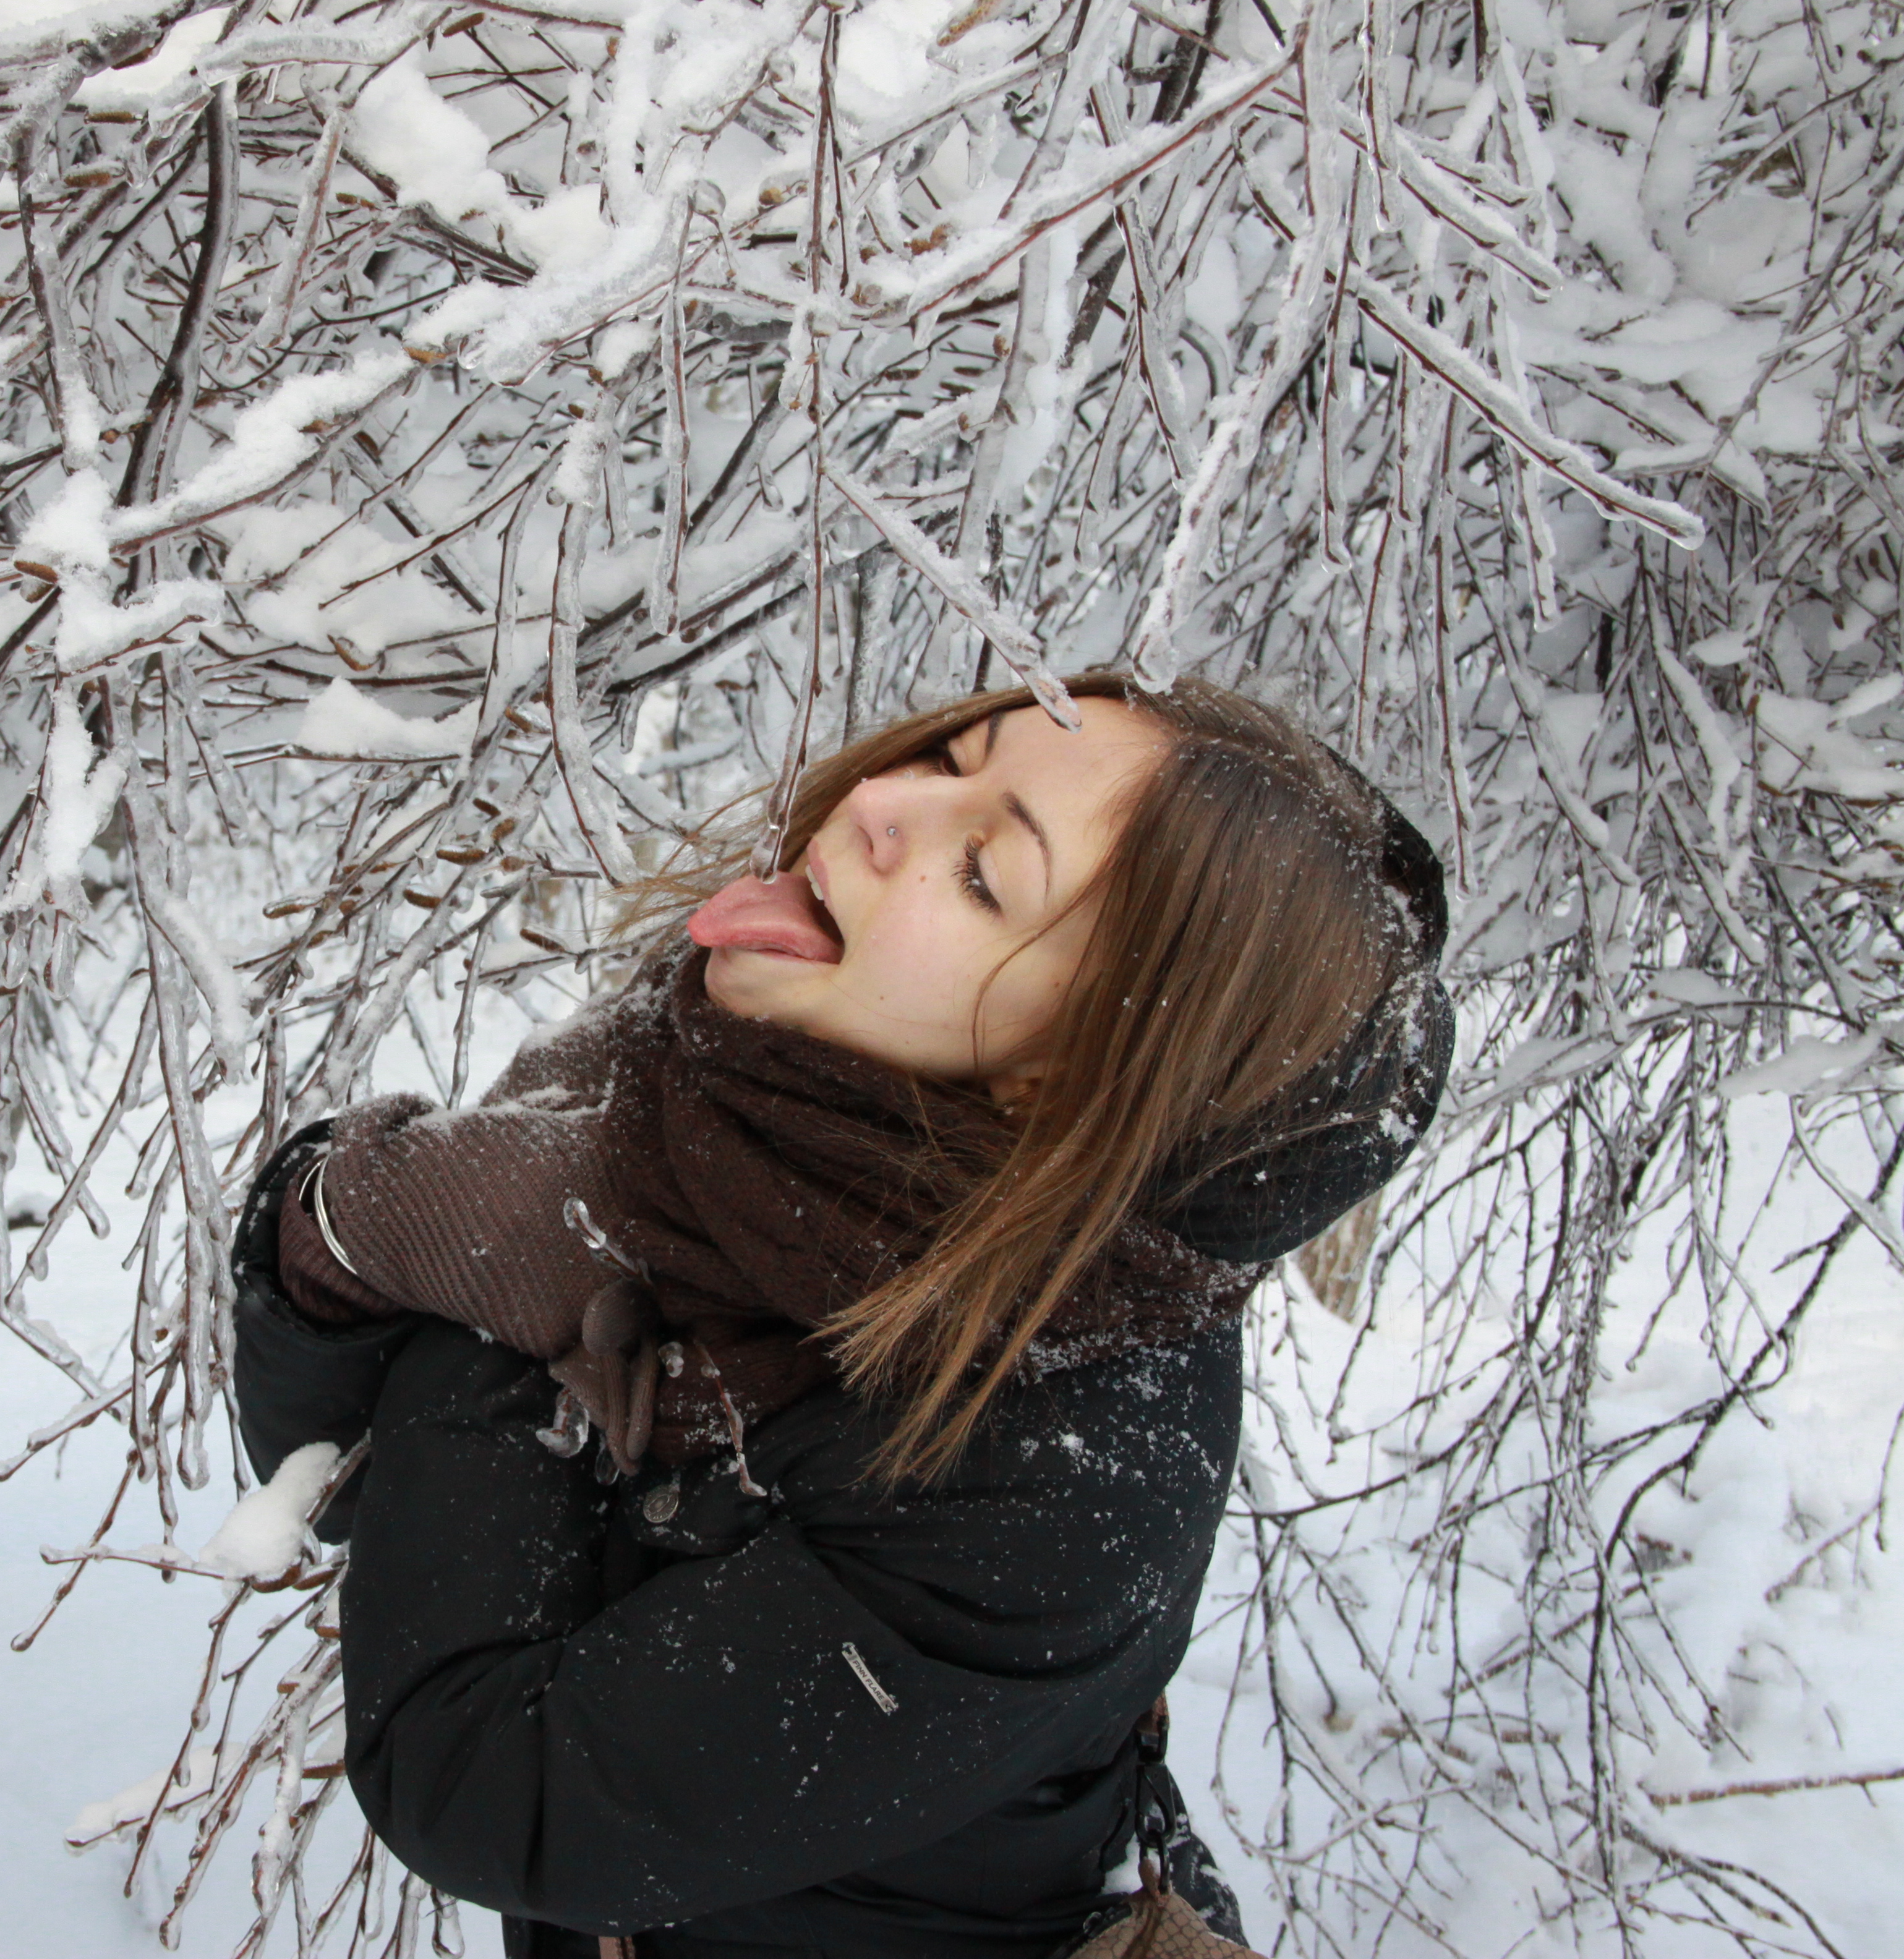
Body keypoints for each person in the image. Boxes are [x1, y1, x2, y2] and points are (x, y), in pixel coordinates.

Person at [228, 669, 1453, 1959]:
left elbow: (487, 1779)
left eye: (985, 875)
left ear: (1064, 1085)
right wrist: (363, 1232)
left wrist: (521, 1286)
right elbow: (345, 1485)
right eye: (949, 760)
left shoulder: (1051, 1481)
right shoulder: (734, 1099)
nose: (878, 800)